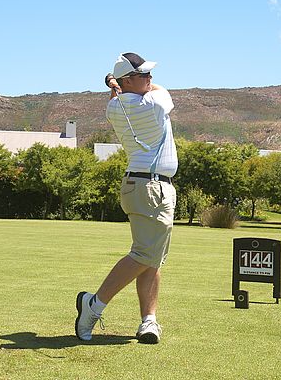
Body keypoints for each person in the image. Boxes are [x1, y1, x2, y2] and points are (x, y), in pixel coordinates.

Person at [75, 52, 178, 344]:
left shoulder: (114, 107)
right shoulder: (155, 103)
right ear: (128, 80)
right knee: (145, 255)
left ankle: (149, 321)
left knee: (152, 258)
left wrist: (116, 85)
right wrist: (117, 83)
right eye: (144, 74)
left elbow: (125, 95)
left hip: (147, 186)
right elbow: (160, 91)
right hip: (151, 188)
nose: (150, 79)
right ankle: (93, 305)